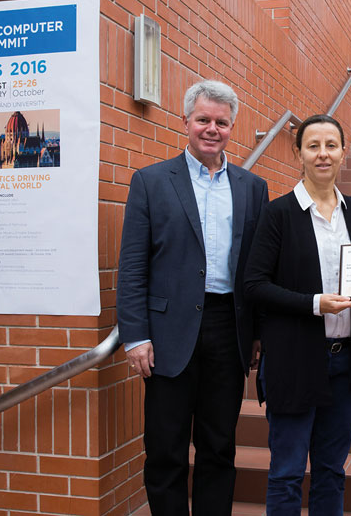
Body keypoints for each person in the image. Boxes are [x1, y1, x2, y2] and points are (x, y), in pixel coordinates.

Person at [116, 79, 269, 515]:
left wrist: (256, 333)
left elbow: (255, 271)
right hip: (167, 333)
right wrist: (135, 336)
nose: (211, 129)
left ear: (232, 127)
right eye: (203, 120)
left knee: (218, 446)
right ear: (185, 121)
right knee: (165, 449)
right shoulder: (150, 182)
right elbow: (132, 267)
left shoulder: (251, 188)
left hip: (227, 328)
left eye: (221, 122)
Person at [244, 114, 351, 515]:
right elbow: (254, 285)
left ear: (342, 151)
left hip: (344, 361)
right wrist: (314, 303)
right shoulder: (279, 213)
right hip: (294, 360)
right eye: (313, 146)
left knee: (331, 470)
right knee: (286, 471)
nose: (323, 154)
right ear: (298, 153)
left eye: (330, 145)